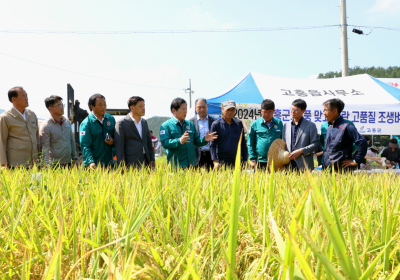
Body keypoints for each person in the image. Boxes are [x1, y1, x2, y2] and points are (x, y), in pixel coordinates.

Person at [160, 98, 217, 168]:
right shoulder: (166, 126)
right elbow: (165, 143)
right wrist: (180, 141)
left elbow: (196, 141)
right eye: (183, 109)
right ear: (174, 110)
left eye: (186, 109)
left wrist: (204, 139)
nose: (185, 112)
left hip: (191, 165)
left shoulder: (190, 124)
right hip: (176, 166)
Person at [322, 98, 367, 171]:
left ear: (335, 111)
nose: (324, 113)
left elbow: (362, 142)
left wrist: (356, 161)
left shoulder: (347, 126)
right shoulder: (329, 127)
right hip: (328, 170)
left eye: (326, 110)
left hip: (342, 171)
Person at [0, 87, 40, 169]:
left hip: (34, 163)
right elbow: (1, 142)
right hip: (16, 164)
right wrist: (3, 164)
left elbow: (37, 137)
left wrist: (40, 158)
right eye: (23, 96)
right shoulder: (5, 117)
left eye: (26, 96)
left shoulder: (32, 114)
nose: (26, 99)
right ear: (14, 99)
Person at [114, 96, 155, 168]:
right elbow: (119, 146)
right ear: (132, 108)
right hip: (130, 163)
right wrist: (121, 165)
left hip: (146, 161)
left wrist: (152, 159)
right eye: (140, 106)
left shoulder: (144, 122)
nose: (143, 108)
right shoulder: (121, 123)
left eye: (144, 106)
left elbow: (148, 142)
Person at [39, 95, 77, 167]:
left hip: (68, 163)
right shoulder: (46, 125)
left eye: (62, 105)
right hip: (54, 165)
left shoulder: (67, 122)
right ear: (50, 108)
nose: (62, 107)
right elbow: (45, 147)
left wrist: (74, 158)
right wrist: (45, 165)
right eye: (59, 105)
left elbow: (71, 141)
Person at [79, 94, 115, 169]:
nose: (103, 107)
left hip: (110, 164)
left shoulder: (111, 119)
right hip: (94, 166)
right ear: (92, 106)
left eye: (105, 104)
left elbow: (117, 139)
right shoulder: (86, 123)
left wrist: (113, 141)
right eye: (100, 105)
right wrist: (90, 162)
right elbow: (85, 145)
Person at [282, 99, 319, 171]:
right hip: (288, 164)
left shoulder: (310, 125)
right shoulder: (286, 125)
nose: (293, 112)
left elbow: (316, 144)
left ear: (303, 111)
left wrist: (301, 151)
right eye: (292, 109)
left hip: (304, 164)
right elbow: (283, 143)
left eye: (296, 110)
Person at [210, 100, 248, 168]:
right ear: (223, 109)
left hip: (237, 161)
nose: (230, 112)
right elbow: (212, 144)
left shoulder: (238, 123)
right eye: (228, 109)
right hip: (222, 162)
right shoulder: (216, 124)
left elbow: (242, 142)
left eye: (232, 110)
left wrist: (245, 159)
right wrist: (215, 161)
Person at [247, 99, 283, 169]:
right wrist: (252, 159)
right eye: (265, 112)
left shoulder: (279, 123)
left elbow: (283, 140)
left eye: (270, 112)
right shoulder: (255, 124)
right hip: (260, 161)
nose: (267, 114)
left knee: (276, 180)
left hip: (276, 161)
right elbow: (250, 142)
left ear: (274, 111)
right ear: (261, 111)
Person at [189, 98, 216, 169]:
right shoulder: (190, 123)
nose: (202, 109)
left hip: (211, 156)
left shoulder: (214, 122)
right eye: (199, 107)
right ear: (195, 108)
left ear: (207, 107)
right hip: (196, 156)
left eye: (204, 107)